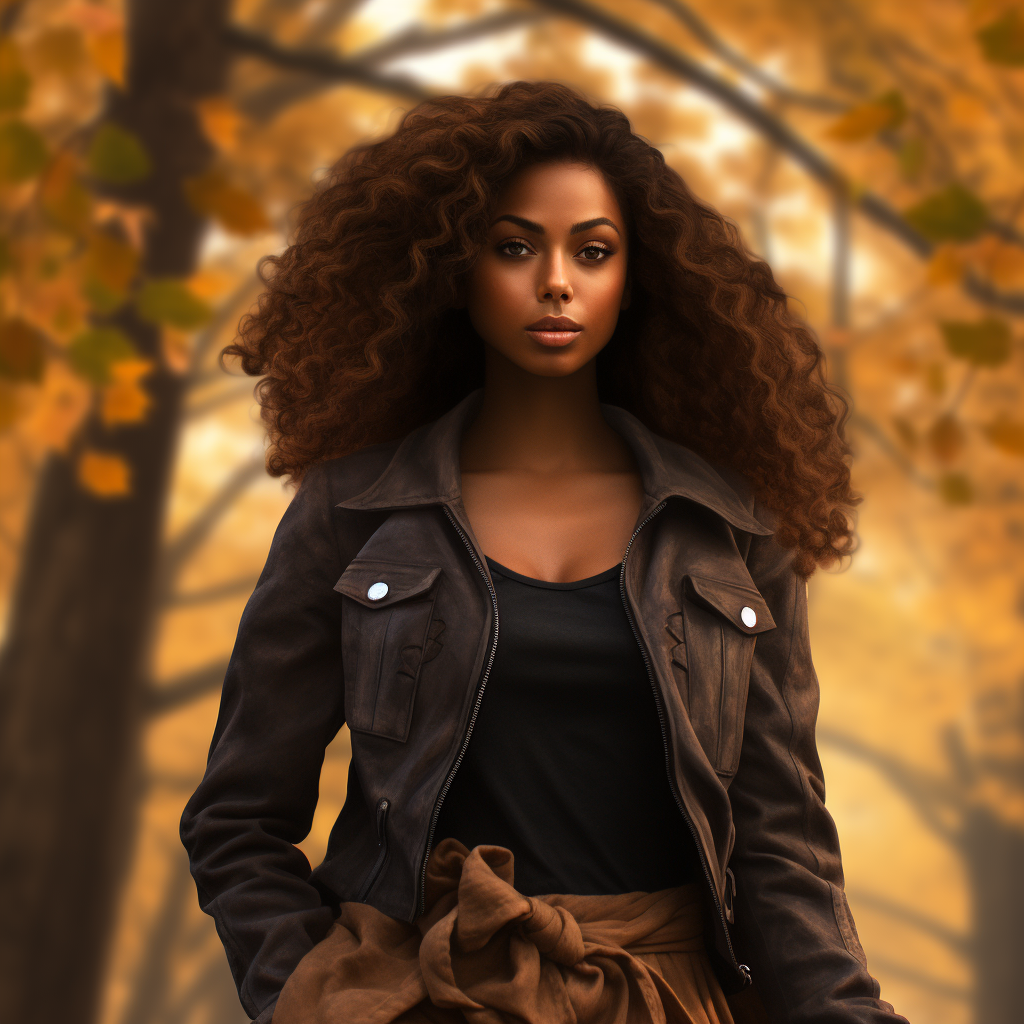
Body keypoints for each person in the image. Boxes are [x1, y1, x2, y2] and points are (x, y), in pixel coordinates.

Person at [180, 80, 908, 1024]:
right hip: (428, 993)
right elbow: (236, 818)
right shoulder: (352, 512)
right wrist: (315, 996)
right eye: (515, 246)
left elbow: (781, 844)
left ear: (633, 278)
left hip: (663, 998)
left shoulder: (732, 527)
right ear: (452, 267)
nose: (556, 280)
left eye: (593, 251)